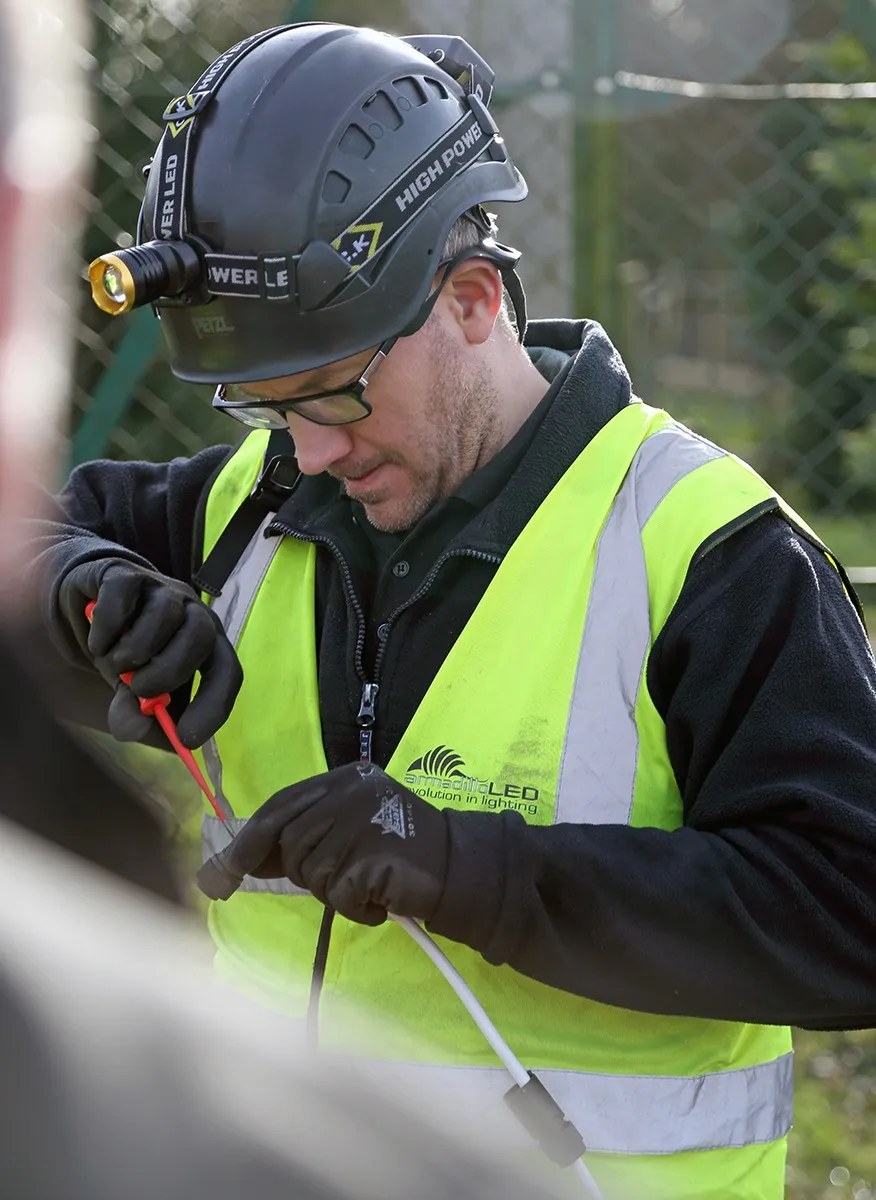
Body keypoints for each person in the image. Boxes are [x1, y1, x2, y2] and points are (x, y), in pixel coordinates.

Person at [32, 21, 876, 1200]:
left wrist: (465, 868)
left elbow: (850, 913)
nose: (314, 453)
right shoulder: (252, 504)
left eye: (337, 394)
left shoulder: (699, 548)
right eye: (270, 409)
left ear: (474, 299)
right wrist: (74, 591)